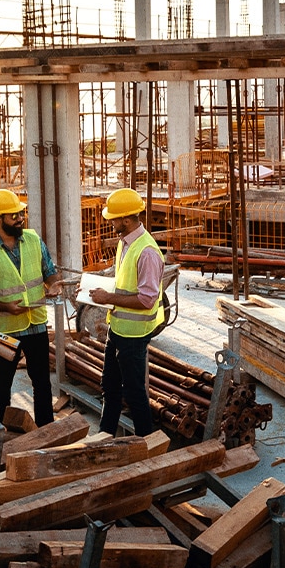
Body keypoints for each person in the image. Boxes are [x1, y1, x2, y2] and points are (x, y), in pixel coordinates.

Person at [0, 189, 61, 428]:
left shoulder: (33, 240)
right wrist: (5, 307)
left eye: (21, 213)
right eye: (14, 215)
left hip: (35, 325)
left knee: (42, 384)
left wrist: (53, 284)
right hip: (5, 330)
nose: (20, 218)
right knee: (1, 386)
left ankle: (46, 432)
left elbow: (49, 272)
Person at [87, 186, 164, 435]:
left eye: (114, 218)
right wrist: (95, 288)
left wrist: (108, 297)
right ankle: (105, 436)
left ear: (127, 220)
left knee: (134, 393)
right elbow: (123, 282)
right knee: (109, 386)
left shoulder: (147, 252)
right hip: (118, 328)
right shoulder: (125, 242)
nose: (110, 222)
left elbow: (147, 300)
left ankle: (147, 443)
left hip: (134, 334)